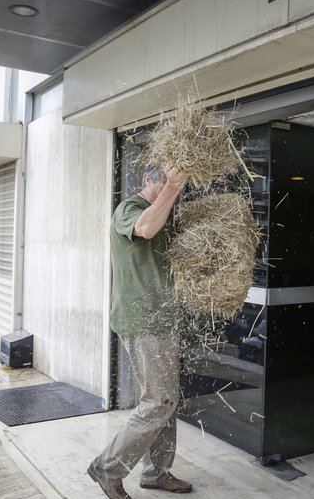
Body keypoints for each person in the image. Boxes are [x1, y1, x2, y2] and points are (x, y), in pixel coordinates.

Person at [87, 166, 192, 499]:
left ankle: (156, 472)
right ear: (148, 181)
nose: (169, 191)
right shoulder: (128, 210)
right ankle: (107, 467)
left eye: (174, 185)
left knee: (167, 399)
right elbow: (145, 228)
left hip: (163, 320)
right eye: (162, 183)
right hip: (143, 320)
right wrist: (172, 187)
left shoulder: (165, 216)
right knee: (157, 400)